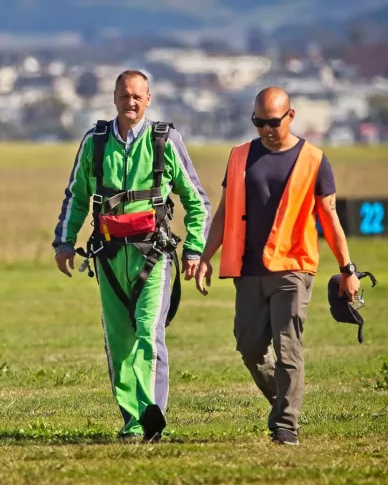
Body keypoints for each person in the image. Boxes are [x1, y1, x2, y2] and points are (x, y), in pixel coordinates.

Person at [195, 87, 360, 446]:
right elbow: (224, 211)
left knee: (288, 348)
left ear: (291, 116)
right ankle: (285, 401)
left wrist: (348, 269)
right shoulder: (239, 156)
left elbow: (329, 218)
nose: (267, 129)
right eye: (259, 122)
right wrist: (205, 257)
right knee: (250, 347)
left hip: (293, 268)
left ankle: (286, 424)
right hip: (249, 269)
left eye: (273, 121)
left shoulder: (314, 159)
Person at [53, 70, 211, 442]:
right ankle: (133, 422)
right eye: (125, 96)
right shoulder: (95, 141)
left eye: (138, 96)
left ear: (149, 98)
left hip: (153, 257)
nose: (131, 102)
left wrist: (194, 248)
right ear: (114, 98)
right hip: (108, 258)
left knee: (148, 334)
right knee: (119, 341)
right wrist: (64, 242)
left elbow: (196, 201)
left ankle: (152, 415)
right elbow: (76, 196)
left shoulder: (165, 140)